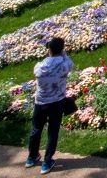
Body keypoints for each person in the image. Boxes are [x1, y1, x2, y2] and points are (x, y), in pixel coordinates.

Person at [26, 36, 73, 174]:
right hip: (56, 103)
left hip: (40, 102)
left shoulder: (39, 67)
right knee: (52, 132)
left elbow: (42, 67)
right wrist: (63, 54)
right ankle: (47, 163)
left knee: (35, 130)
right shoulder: (64, 65)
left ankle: (31, 157)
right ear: (62, 50)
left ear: (49, 50)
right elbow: (70, 63)